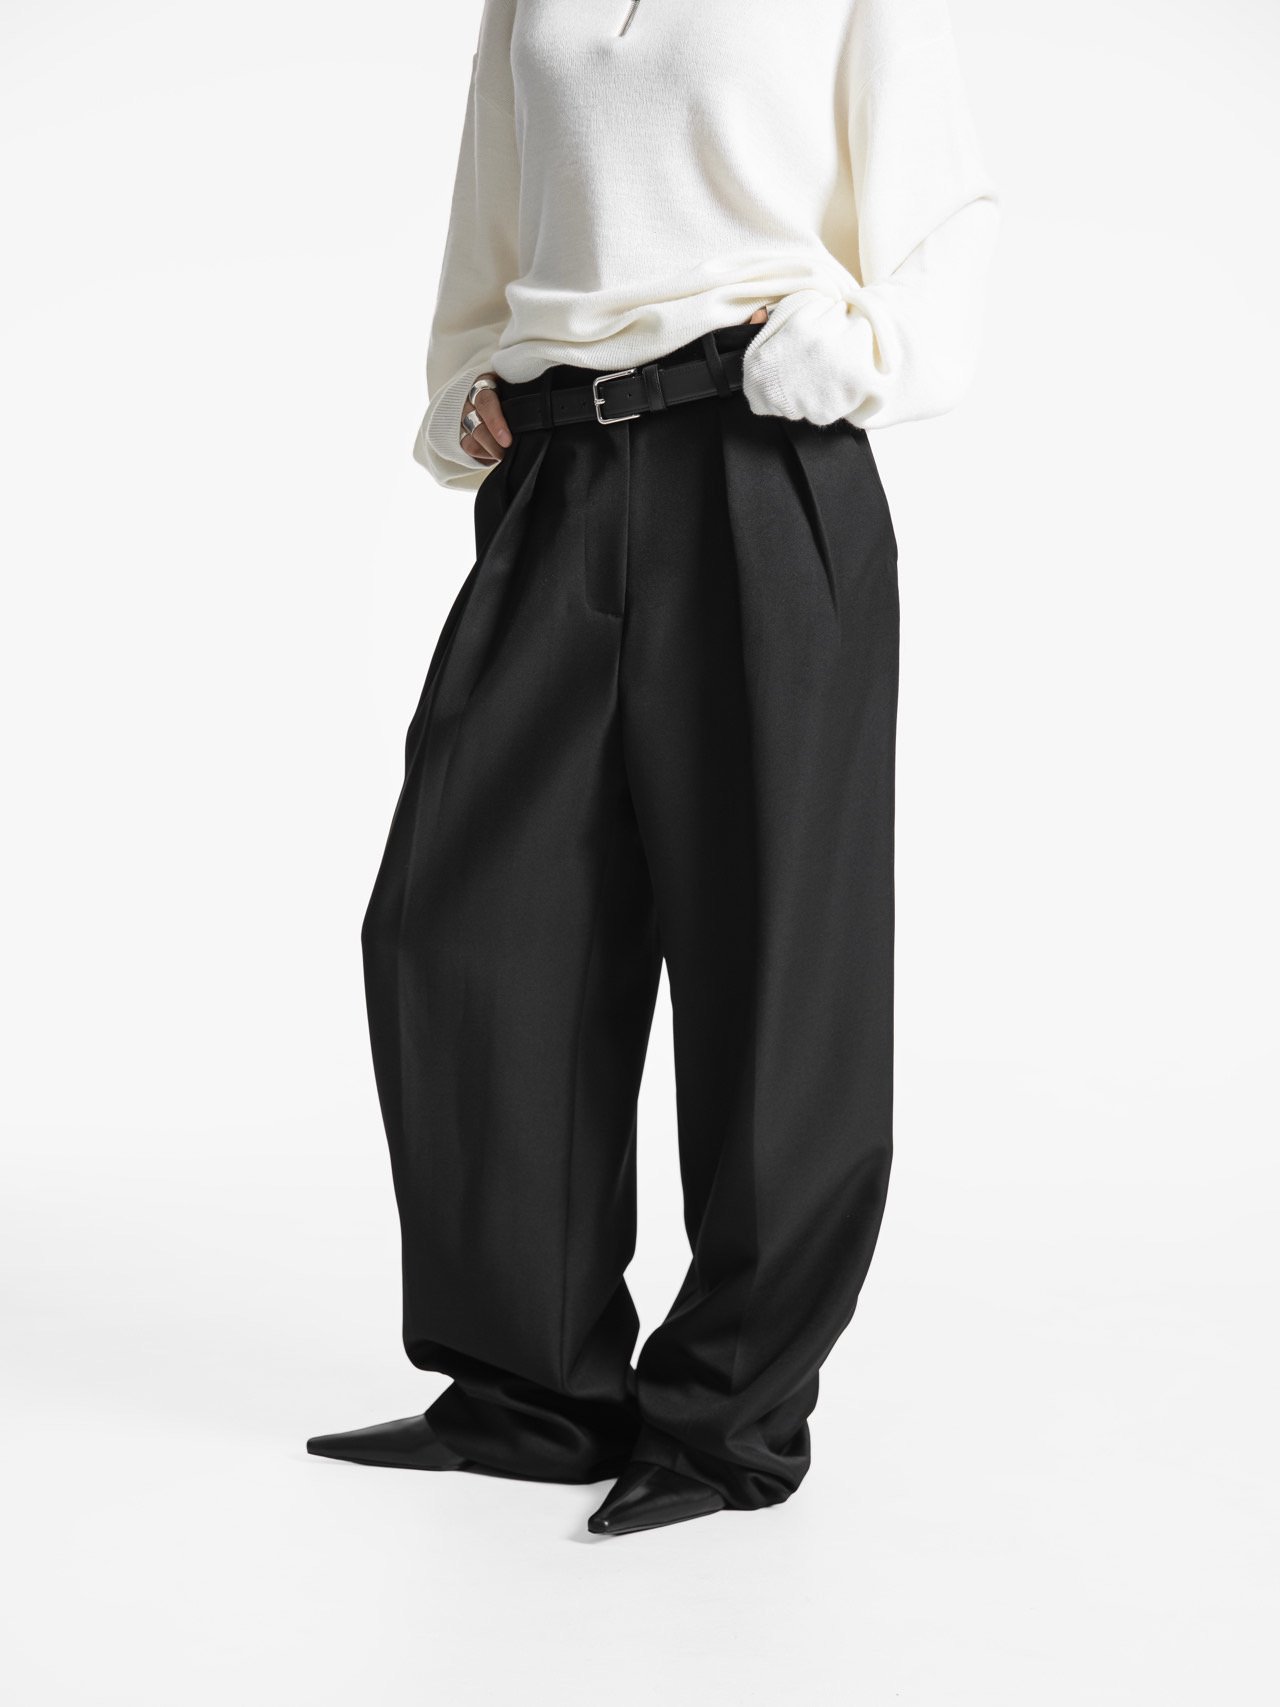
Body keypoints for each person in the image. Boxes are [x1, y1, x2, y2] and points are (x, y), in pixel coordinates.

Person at [307, 0, 999, 1537]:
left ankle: (729, 1420)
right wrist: (469, 382)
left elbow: (947, 218)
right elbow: (495, 209)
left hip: (760, 464)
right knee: (462, 927)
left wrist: (849, 351)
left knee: (773, 954)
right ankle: (534, 1391)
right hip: (558, 473)